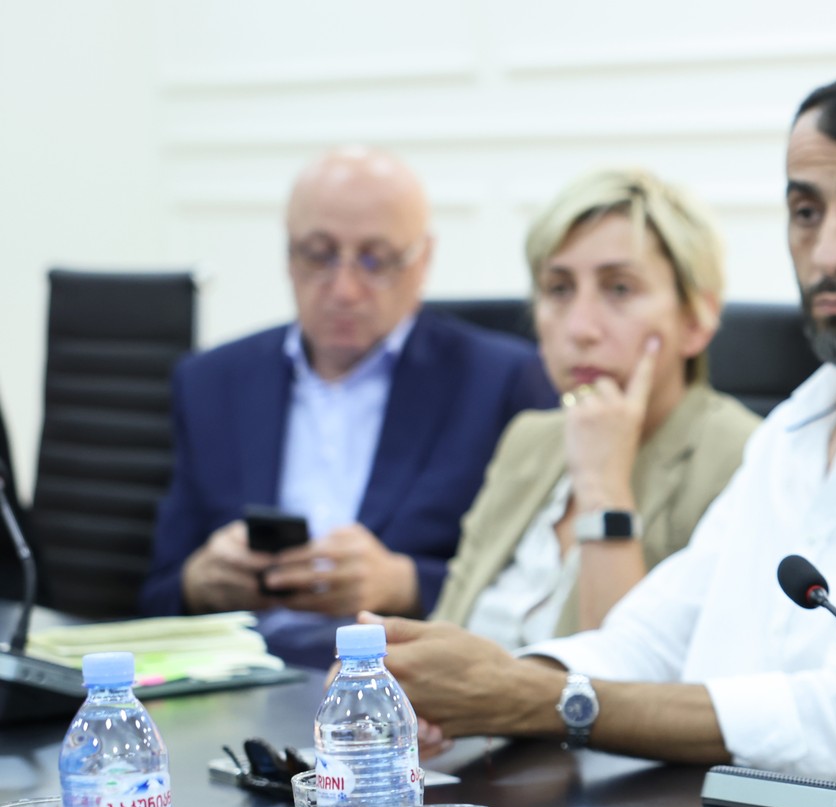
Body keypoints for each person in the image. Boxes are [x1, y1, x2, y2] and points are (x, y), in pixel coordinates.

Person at [372, 75, 836, 807]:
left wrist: (538, 699)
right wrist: (481, 682)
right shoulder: (795, 426)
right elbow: (653, 636)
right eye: (806, 212)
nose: (830, 253)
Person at [139, 147, 556, 666]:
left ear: (422, 260)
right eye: (318, 255)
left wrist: (404, 584)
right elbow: (155, 593)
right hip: (243, 670)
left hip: (398, 679)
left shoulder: (502, 382)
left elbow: (540, 591)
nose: (344, 289)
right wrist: (198, 581)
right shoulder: (213, 381)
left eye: (375, 260)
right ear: (288, 255)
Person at [432, 169, 758, 649]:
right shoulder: (530, 438)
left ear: (696, 321)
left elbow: (624, 679)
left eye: (619, 289)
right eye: (559, 289)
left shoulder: (746, 458)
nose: (580, 328)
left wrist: (603, 489)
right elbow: (448, 626)